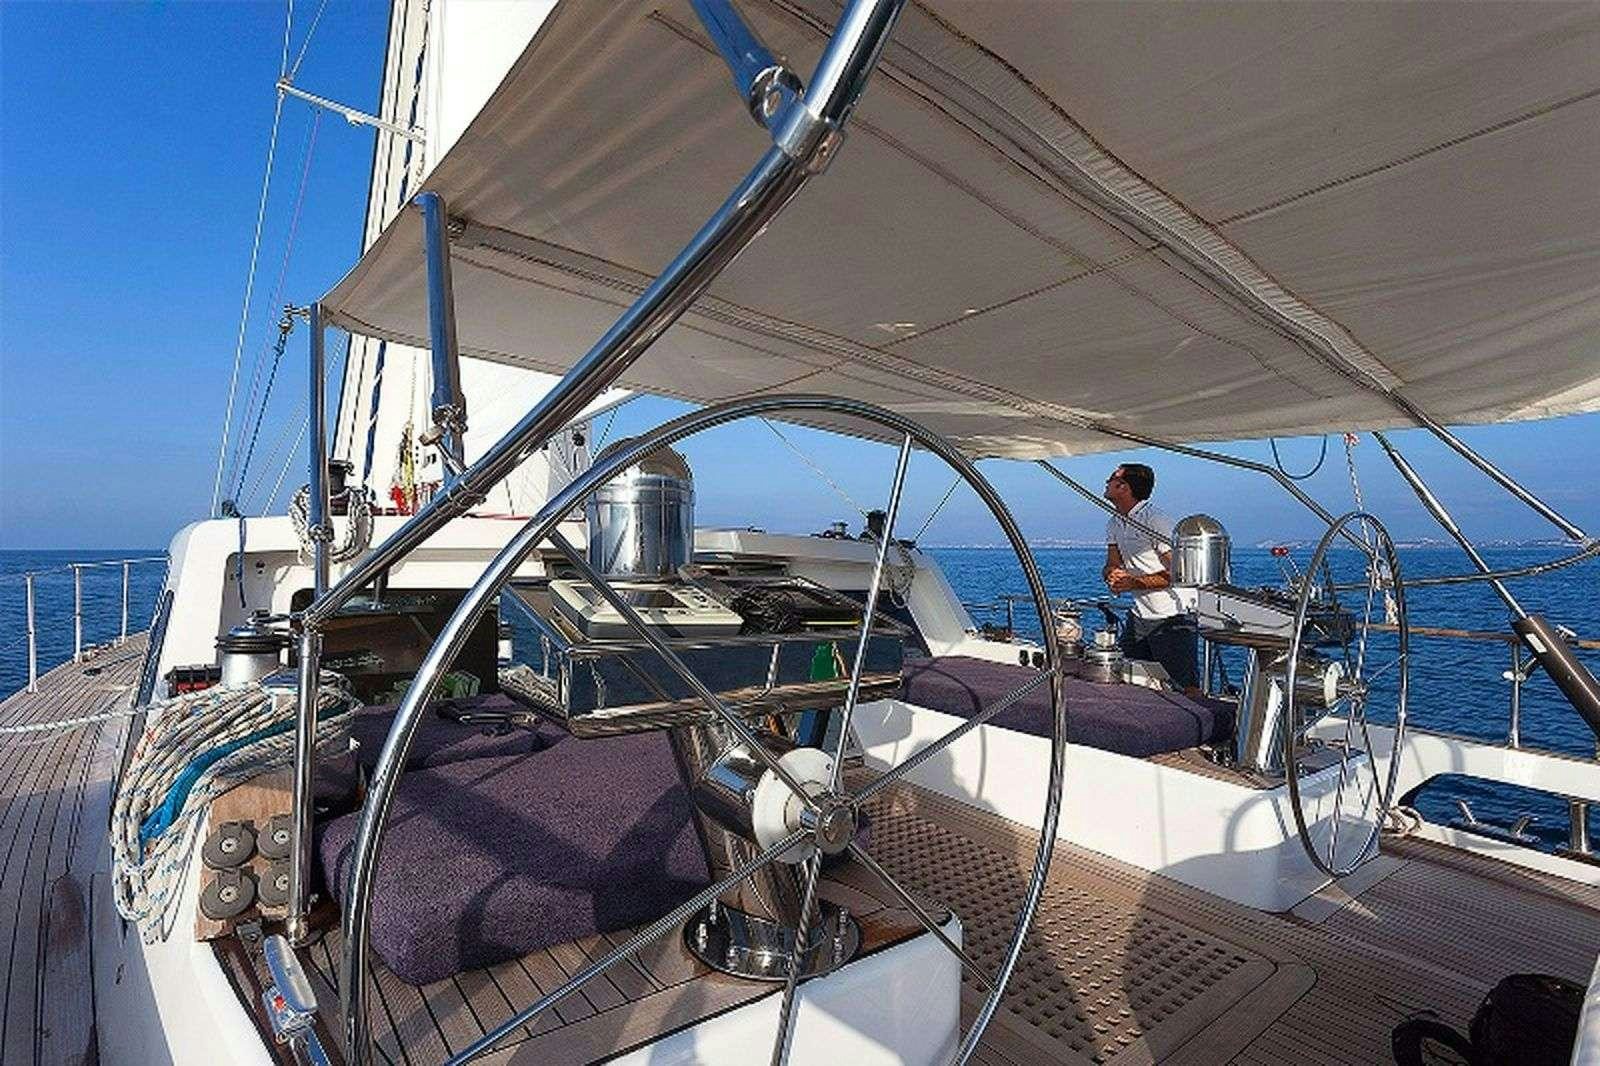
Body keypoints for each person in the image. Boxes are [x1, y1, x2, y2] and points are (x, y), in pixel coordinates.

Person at [1102, 463, 1199, 690]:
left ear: (1124, 487)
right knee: (1128, 677)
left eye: (1111, 478)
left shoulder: (1155, 521)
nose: (1106, 482)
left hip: (1172, 615)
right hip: (1139, 615)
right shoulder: (1114, 522)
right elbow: (1111, 563)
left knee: (1185, 686)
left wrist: (1134, 582)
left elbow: (1182, 573)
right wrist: (1111, 575)